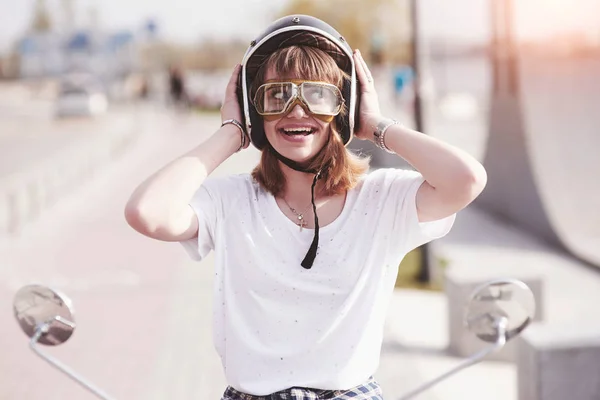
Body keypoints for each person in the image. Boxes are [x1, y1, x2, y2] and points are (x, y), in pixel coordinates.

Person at [124, 15, 487, 400]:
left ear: (344, 109)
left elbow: (467, 180)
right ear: (255, 110)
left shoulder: (381, 200)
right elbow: (147, 212)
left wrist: (376, 125)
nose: (296, 110)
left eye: (317, 95)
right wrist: (232, 132)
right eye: (277, 95)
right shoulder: (229, 201)